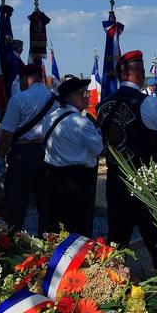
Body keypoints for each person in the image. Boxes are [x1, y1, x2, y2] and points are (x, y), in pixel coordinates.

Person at [97, 50, 157, 271]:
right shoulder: (150, 104)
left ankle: (113, 287)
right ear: (137, 73)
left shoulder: (102, 106)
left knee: (116, 242)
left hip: (116, 183)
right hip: (147, 185)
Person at [0, 62, 57, 234]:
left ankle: (11, 239)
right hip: (47, 152)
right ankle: (48, 241)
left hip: (22, 153)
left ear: (25, 79)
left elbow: (7, 133)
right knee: (46, 202)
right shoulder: (53, 99)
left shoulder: (19, 99)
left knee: (16, 200)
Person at [40, 77, 103, 236]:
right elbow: (98, 148)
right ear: (68, 97)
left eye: (86, 92)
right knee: (78, 228)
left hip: (52, 178)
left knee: (54, 225)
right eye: (81, 93)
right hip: (77, 180)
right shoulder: (81, 122)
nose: (87, 96)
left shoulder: (50, 117)